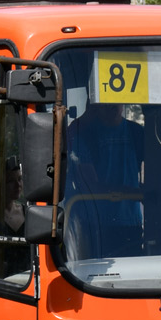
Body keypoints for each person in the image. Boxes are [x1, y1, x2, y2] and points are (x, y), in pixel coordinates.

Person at [64, 101, 145, 258]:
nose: (111, 106)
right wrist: (134, 192)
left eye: (115, 101)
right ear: (94, 106)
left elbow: (154, 172)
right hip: (96, 223)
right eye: (105, 103)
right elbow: (90, 186)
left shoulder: (136, 132)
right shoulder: (85, 135)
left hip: (131, 221)